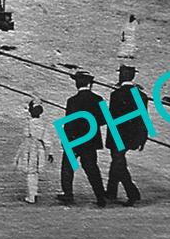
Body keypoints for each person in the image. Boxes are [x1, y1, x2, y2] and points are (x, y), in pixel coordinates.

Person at [57, 71, 107, 206]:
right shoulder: (98, 99)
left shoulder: (72, 101)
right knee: (92, 168)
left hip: (73, 139)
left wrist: (65, 139)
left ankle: (68, 195)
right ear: (90, 84)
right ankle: (100, 196)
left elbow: (69, 122)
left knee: (67, 167)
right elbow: (104, 120)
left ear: (76, 84)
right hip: (90, 140)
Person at [105, 65, 148, 206]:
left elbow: (111, 118)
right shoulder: (141, 96)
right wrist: (143, 138)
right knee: (118, 161)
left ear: (121, 77)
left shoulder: (115, 95)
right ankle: (111, 191)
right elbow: (144, 119)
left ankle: (132, 192)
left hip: (118, 136)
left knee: (118, 162)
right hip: (133, 136)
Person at [14, 99, 54, 203]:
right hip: (39, 148)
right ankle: (34, 192)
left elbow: (26, 134)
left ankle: (31, 196)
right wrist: (50, 152)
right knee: (35, 172)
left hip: (29, 148)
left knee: (30, 172)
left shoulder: (29, 123)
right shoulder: (43, 124)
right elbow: (47, 139)